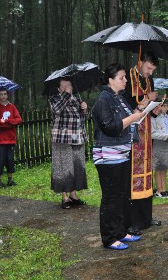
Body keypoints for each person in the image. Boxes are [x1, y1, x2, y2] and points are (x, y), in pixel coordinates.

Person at [92, 63, 145, 250]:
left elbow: (128, 121)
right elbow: (110, 127)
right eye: (122, 78)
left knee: (122, 195)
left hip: (121, 154)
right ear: (110, 80)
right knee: (111, 197)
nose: (125, 81)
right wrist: (133, 118)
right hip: (108, 157)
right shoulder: (103, 100)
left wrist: (138, 113)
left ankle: (121, 232)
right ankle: (109, 237)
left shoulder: (119, 98)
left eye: (125, 77)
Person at [124, 51, 161, 234]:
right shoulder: (127, 78)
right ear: (140, 62)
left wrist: (155, 107)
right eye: (148, 68)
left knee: (147, 173)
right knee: (132, 175)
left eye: (153, 70)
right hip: (132, 135)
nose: (150, 73)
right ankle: (133, 220)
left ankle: (145, 217)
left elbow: (149, 108)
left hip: (146, 134)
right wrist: (146, 100)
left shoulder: (149, 80)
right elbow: (125, 104)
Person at [48, 78, 89, 209]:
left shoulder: (77, 99)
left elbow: (84, 118)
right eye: (64, 86)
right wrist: (65, 94)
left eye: (69, 85)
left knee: (76, 167)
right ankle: (65, 197)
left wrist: (85, 109)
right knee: (63, 168)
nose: (68, 87)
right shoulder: (54, 99)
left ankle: (73, 195)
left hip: (77, 138)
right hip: (62, 139)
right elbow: (56, 110)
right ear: (59, 89)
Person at [0, 87, 22, 187]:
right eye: (1, 94)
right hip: (0, 140)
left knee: (10, 160)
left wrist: (7, 121)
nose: (3, 96)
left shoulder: (12, 107)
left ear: (7, 95)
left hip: (11, 138)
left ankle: (10, 180)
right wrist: (11, 123)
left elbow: (19, 120)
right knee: (0, 160)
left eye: (5, 94)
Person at [151, 101, 168, 198]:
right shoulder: (154, 118)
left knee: (164, 167)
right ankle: (159, 190)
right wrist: (165, 136)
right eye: (163, 106)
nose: (165, 108)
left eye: (167, 106)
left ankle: (164, 189)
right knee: (158, 168)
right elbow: (153, 134)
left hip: (167, 145)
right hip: (159, 144)